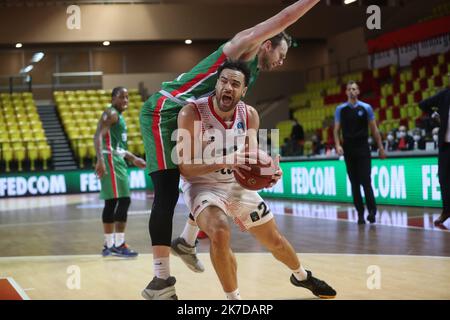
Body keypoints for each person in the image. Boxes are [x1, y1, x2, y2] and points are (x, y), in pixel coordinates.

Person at [139, 0, 320, 299]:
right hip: (165, 110)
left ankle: (186, 240)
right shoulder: (242, 46)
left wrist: (262, 164)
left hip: (194, 117)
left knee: (212, 178)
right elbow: (285, 17)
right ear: (266, 44)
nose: (281, 61)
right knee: (168, 190)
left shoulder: (247, 78)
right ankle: (161, 280)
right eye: (281, 53)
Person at [176, 60, 336, 300]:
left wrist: (267, 174)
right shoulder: (192, 113)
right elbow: (185, 169)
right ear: (216, 83)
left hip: (234, 186)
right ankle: (234, 300)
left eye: (235, 84)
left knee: (275, 241)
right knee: (220, 232)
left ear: (244, 91)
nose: (228, 87)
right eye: (223, 81)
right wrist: (225, 160)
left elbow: (250, 160)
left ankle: (302, 276)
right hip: (201, 185)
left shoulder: (249, 114)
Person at [94, 87, 147, 257]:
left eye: (127, 97)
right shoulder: (112, 114)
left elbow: (118, 147)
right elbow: (98, 136)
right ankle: (118, 244)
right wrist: (100, 160)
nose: (125, 100)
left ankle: (110, 244)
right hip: (111, 161)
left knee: (112, 202)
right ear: (113, 98)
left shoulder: (117, 115)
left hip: (116, 159)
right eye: (121, 97)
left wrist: (133, 158)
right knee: (123, 200)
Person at [333, 81, 386, 225]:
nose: (351, 91)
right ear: (346, 92)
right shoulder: (340, 109)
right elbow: (336, 130)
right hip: (349, 149)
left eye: (354, 89)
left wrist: (380, 147)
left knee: (366, 181)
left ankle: (372, 211)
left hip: (363, 148)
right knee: (354, 184)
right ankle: (360, 214)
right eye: (349, 89)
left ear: (358, 91)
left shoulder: (366, 107)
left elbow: (374, 130)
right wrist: (338, 145)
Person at [419, 78, 450, 226]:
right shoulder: (444, 95)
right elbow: (422, 104)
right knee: (443, 179)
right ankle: (447, 210)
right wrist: (434, 115)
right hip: (446, 146)